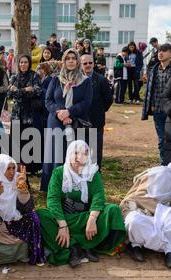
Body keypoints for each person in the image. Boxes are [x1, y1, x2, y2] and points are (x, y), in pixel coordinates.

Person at [37, 140, 127, 267]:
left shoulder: (93, 172)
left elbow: (98, 196)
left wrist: (92, 219)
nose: (78, 157)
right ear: (68, 154)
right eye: (75, 153)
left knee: (113, 210)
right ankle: (75, 246)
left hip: (86, 217)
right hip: (66, 218)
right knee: (40, 215)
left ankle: (87, 246)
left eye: (83, 153)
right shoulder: (59, 173)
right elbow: (53, 200)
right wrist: (62, 225)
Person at [120, 158, 171, 268]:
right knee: (134, 220)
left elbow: (163, 203)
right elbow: (139, 199)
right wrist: (159, 210)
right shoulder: (161, 174)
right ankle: (135, 245)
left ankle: (169, 251)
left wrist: (161, 211)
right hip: (137, 209)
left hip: (157, 213)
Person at [41, 49, 93, 192]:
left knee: (73, 155)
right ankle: (53, 188)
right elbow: (48, 100)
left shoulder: (85, 81)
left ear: (77, 61)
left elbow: (86, 102)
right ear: (63, 61)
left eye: (73, 58)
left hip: (76, 121)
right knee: (55, 154)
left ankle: (72, 188)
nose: (71, 61)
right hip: (55, 121)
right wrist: (59, 112)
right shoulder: (55, 79)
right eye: (68, 58)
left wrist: (69, 112)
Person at [142, 44, 171, 163]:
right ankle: (164, 164)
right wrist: (152, 106)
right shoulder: (154, 69)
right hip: (158, 110)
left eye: (164, 51)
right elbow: (151, 89)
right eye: (159, 51)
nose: (160, 53)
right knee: (161, 139)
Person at [8, 54, 43, 174]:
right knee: (17, 140)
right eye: (21, 62)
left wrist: (18, 91)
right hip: (17, 113)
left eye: (25, 62)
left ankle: (32, 168)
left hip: (30, 113)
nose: (23, 64)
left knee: (30, 140)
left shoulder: (35, 75)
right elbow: (9, 94)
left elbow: (38, 91)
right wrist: (26, 90)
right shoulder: (14, 77)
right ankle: (18, 166)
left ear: (29, 63)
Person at [80, 54, 113, 169]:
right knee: (81, 150)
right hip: (80, 121)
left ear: (93, 64)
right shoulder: (76, 79)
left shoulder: (101, 80)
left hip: (96, 121)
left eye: (90, 63)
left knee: (95, 151)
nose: (88, 65)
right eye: (85, 63)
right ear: (81, 65)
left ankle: (95, 176)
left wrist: (99, 110)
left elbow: (108, 99)